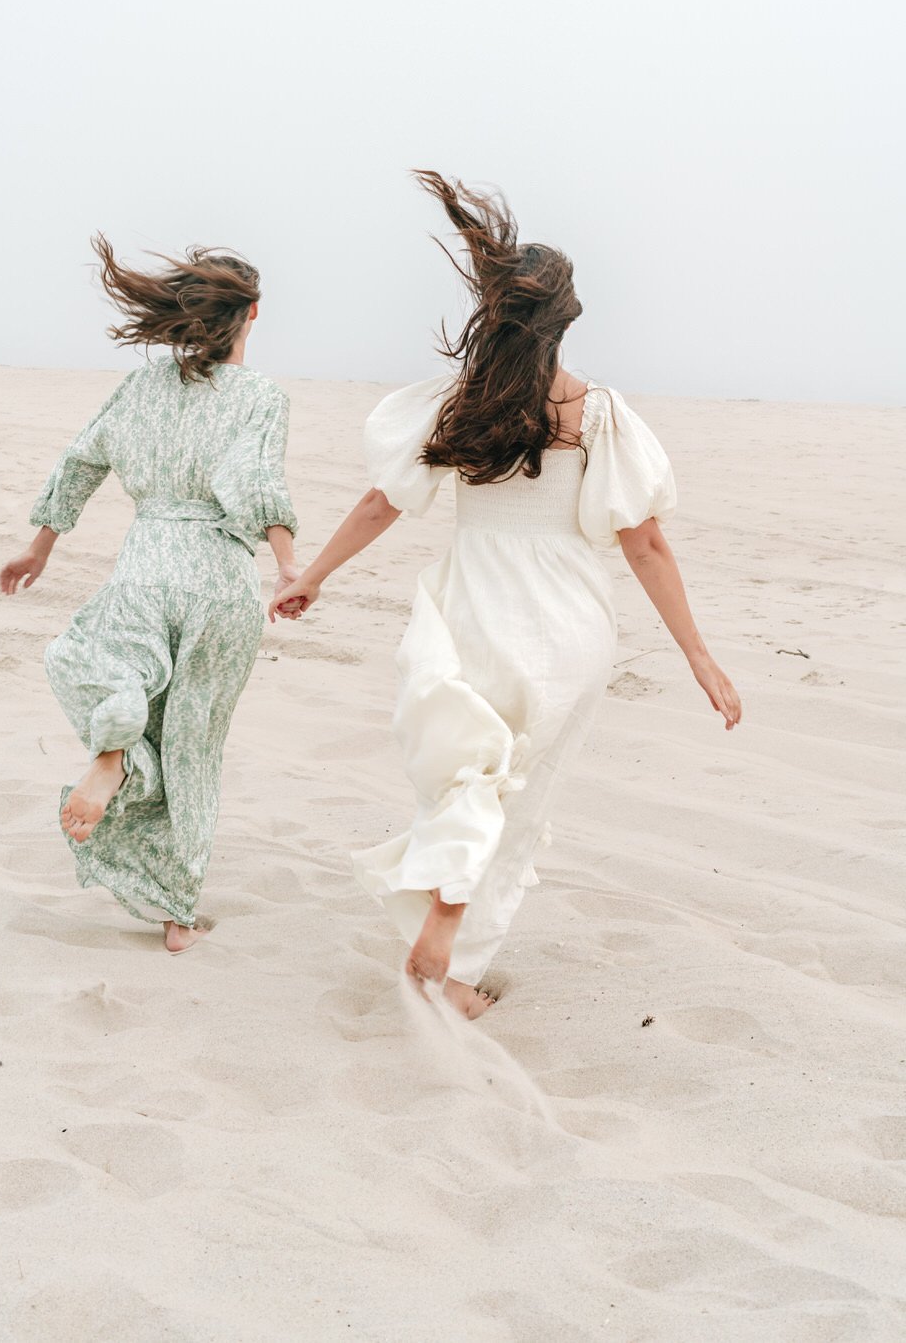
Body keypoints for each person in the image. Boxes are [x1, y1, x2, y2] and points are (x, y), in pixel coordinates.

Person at [270, 171, 740, 1018]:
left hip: (472, 607)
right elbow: (646, 542)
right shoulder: (595, 413)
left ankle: (446, 919)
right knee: (521, 795)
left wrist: (311, 576)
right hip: (569, 621)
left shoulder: (460, 403)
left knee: (463, 773)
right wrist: (699, 654)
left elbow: (382, 503)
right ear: (567, 319)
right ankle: (455, 947)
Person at [0, 235, 299, 953]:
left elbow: (83, 456)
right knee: (194, 744)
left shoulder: (142, 387)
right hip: (220, 575)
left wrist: (41, 542)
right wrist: (291, 568)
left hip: (148, 560)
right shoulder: (261, 396)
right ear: (253, 314)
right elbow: (257, 486)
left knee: (110, 667)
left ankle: (115, 753)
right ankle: (175, 911)